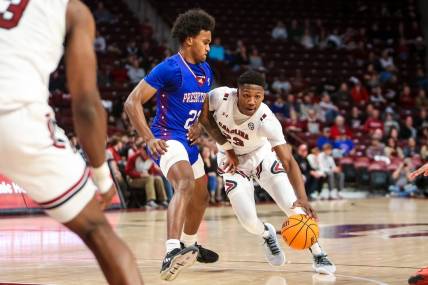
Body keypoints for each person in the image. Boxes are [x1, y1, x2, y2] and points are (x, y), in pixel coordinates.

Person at [0, 1, 143, 284]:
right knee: (97, 230)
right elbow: (87, 105)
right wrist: (102, 176)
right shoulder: (72, 10)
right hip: (13, 116)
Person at [198, 70, 336, 274]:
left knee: (294, 208)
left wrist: (303, 197)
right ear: (237, 92)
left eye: (257, 96)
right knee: (248, 222)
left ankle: (318, 254)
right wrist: (227, 148)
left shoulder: (267, 119)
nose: (252, 101)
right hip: (230, 161)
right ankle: (266, 234)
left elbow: (288, 161)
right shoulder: (220, 96)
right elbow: (203, 117)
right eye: (246, 95)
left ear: (263, 96)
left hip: (262, 158)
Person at [124, 9, 219, 281]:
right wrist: (149, 138)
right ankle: (170, 250)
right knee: (185, 183)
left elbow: (203, 107)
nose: (209, 48)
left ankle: (190, 245)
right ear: (189, 40)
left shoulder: (205, 70)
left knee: (201, 197)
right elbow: (132, 102)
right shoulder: (170, 68)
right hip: (166, 138)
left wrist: (201, 125)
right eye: (205, 42)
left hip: (187, 142)